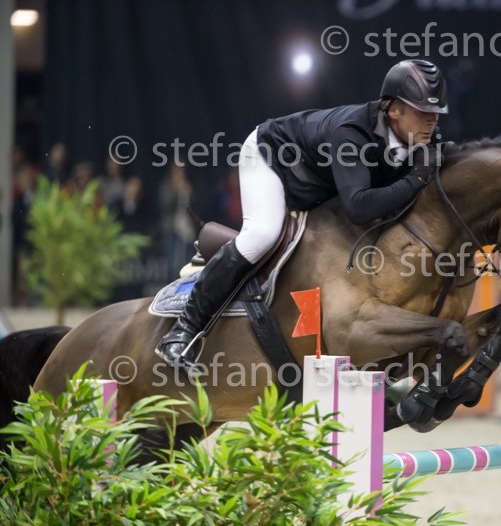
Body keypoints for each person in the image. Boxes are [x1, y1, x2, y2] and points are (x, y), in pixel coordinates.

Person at [156, 59, 448, 372]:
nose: (432, 120)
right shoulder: (352, 135)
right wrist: (416, 178)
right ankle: (183, 330)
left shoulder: (422, 138)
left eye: (436, 113)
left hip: (319, 184)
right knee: (262, 235)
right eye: (423, 112)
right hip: (271, 157)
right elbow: (360, 208)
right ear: (393, 110)